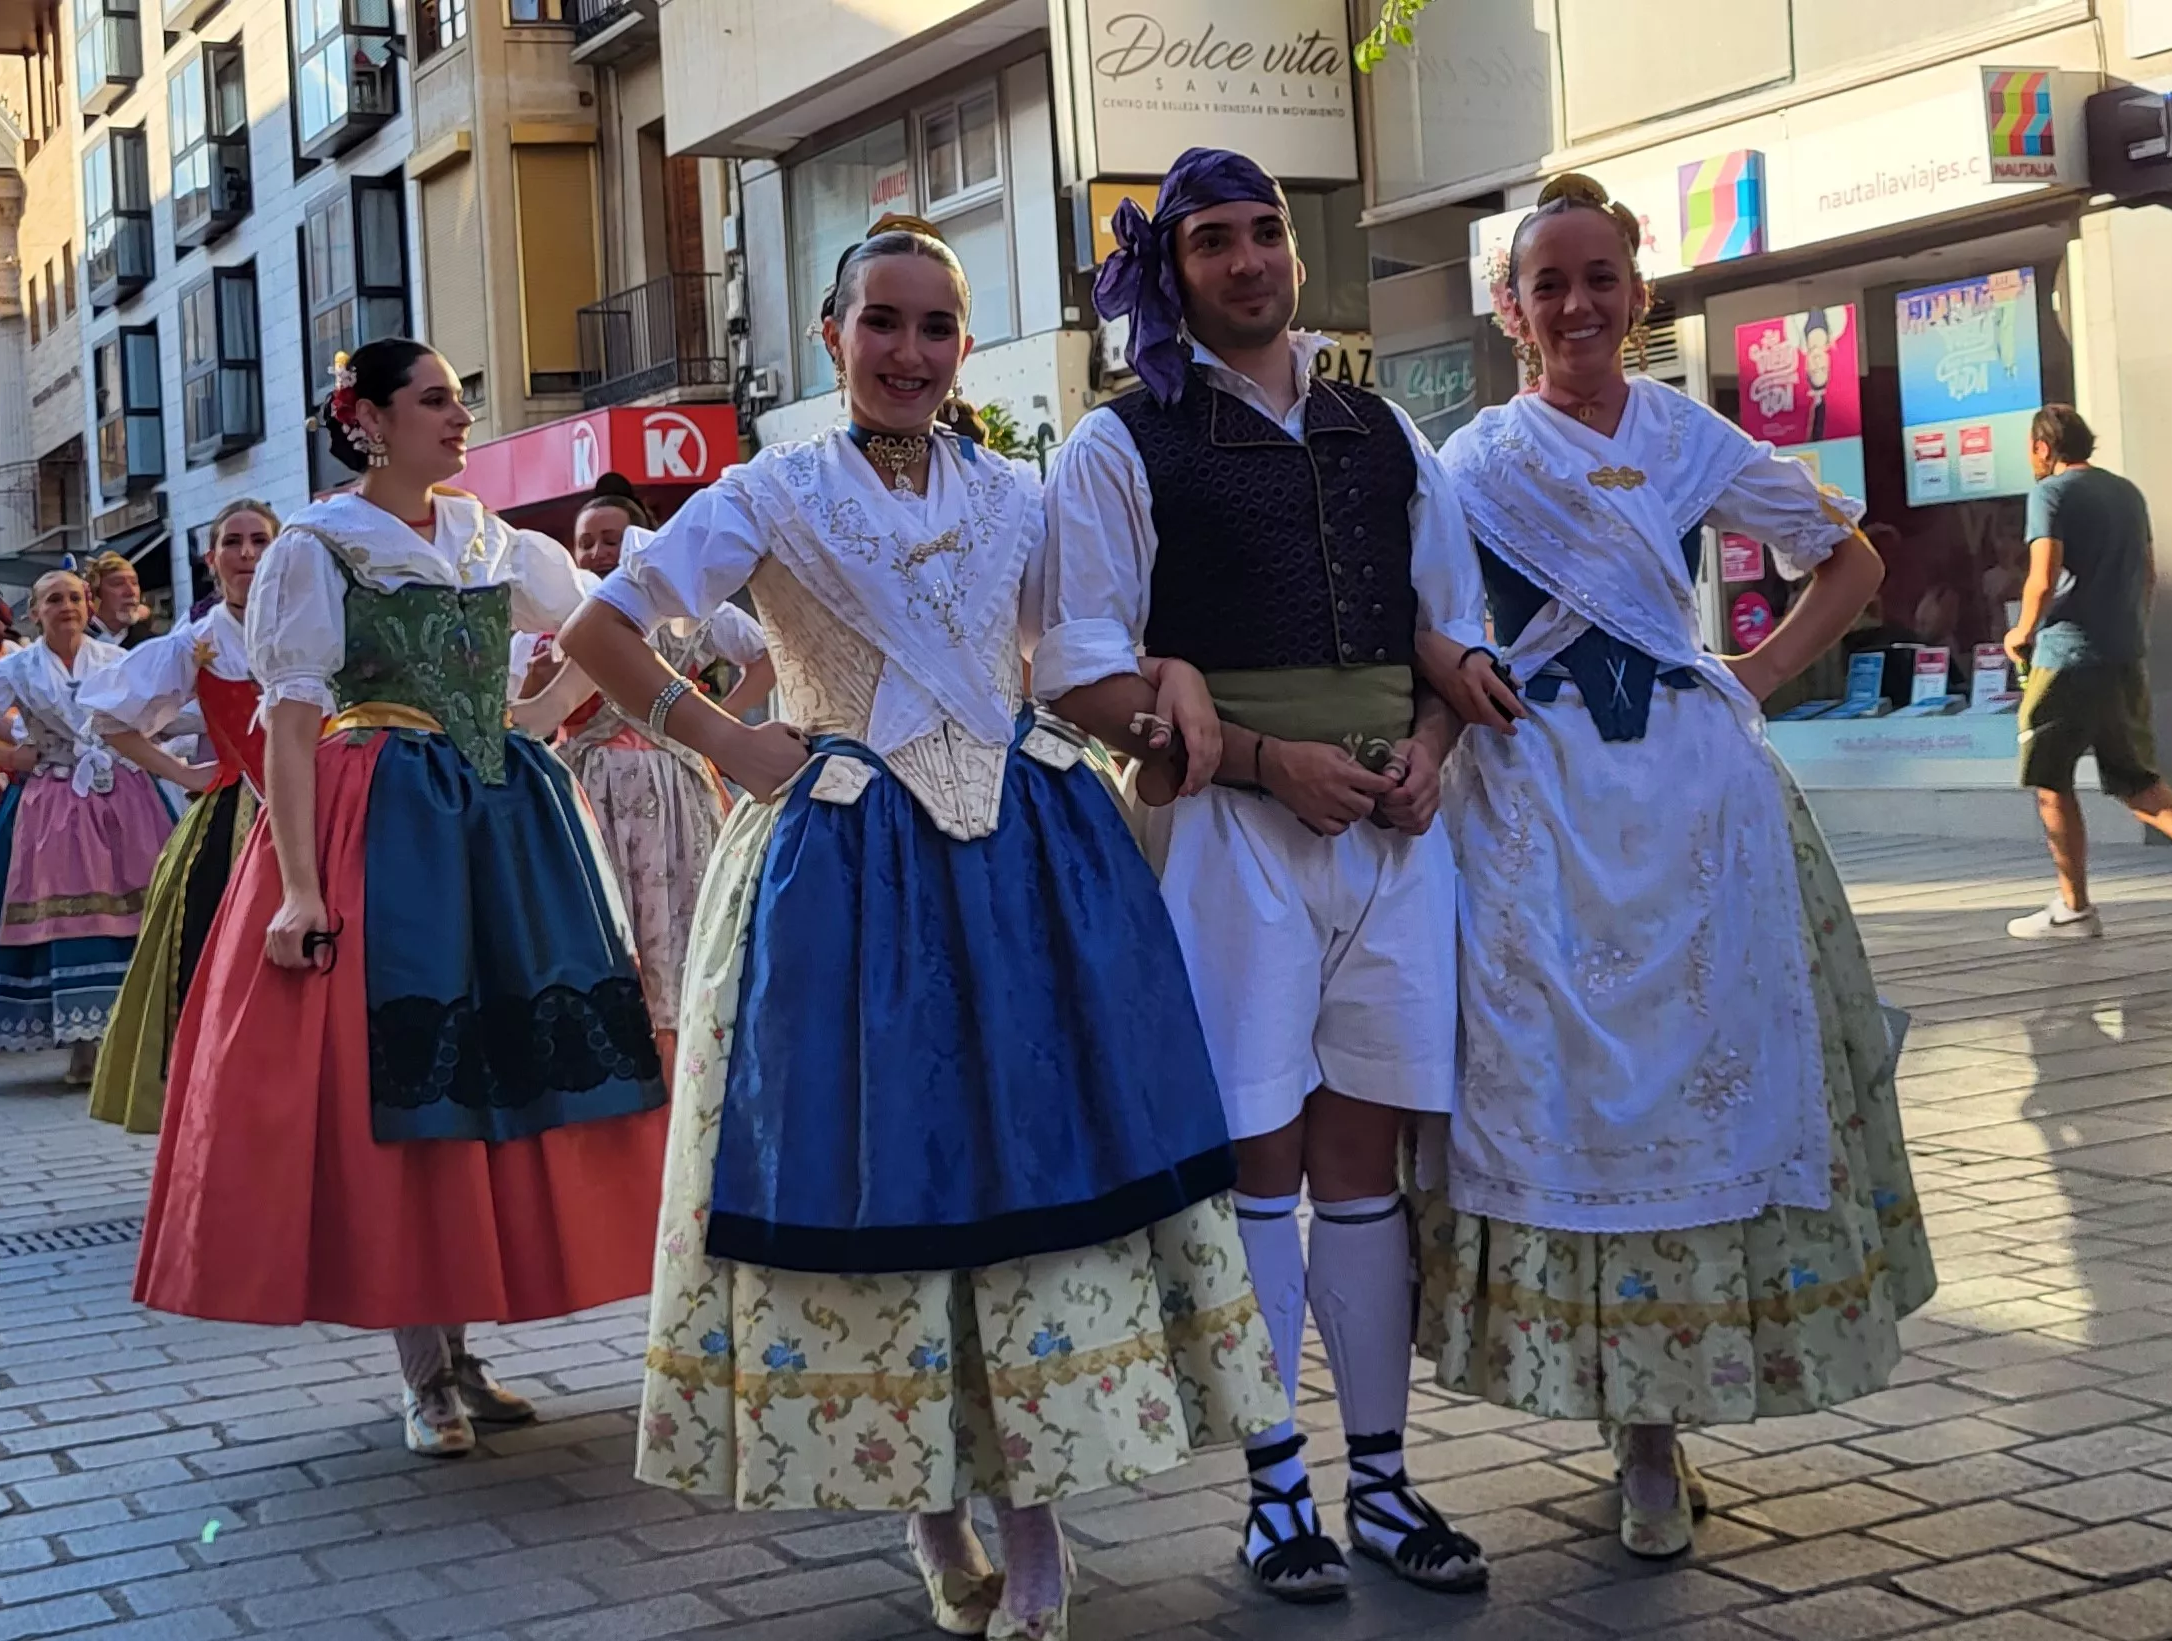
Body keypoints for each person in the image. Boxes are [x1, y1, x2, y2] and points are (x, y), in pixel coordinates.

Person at [560, 221, 1282, 1641]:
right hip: (846, 869)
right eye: (880, 322)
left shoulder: (1019, 492)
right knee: (882, 1175)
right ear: (829, 335)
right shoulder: (767, 491)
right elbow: (600, 630)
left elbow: (1079, 651)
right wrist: (728, 740)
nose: (907, 351)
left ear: (962, 344)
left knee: (1032, 1171)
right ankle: (927, 1502)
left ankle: (1034, 1526)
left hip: (1027, 862)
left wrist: (1177, 676)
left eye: (935, 326)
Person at [1415, 172, 1935, 1561]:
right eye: (1548, 284)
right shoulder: (1467, 464)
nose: (1576, 304)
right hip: (1538, 805)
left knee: (1714, 1086)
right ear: (1511, 309)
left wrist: (1749, 675)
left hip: (1700, 806)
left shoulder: (1689, 436)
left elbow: (1847, 560)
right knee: (1573, 1106)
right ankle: (1629, 1426)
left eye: (1600, 278)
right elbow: (1425, 623)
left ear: (1637, 295)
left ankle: (1660, 1431)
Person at [1037, 147, 1488, 1601]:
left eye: (1263, 233)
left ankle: (1383, 1484)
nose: (1245, 261)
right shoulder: (1122, 442)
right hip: (1226, 840)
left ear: (1294, 250)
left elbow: (1449, 630)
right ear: (1169, 273)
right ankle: (1273, 1490)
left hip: (1389, 837)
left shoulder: (1380, 428)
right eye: (1210, 241)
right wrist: (1253, 758)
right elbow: (1076, 672)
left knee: (1362, 1161)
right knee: (1261, 1158)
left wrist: (1428, 748)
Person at [132, 339, 669, 1463]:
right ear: (369, 419)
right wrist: (297, 887)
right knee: (409, 1074)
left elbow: (603, 624)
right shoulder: (318, 545)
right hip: (383, 818)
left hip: (502, 818)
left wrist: (541, 714)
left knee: (496, 1069)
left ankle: (457, 1354)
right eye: (434, 401)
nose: (459, 418)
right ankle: (424, 1371)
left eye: (459, 399)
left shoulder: (489, 535)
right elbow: (290, 722)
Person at [513, 479, 777, 1075]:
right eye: (586, 542)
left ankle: (682, 1060)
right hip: (589, 784)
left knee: (679, 914)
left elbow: (766, 656)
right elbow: (538, 712)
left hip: (675, 783)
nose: (598, 552)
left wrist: (721, 720)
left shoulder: (688, 610)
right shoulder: (559, 620)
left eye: (611, 539)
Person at [0, 572, 185, 1082]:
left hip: (124, 794)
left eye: (74, 597)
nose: (66, 606)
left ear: (88, 606)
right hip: (51, 801)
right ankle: (83, 1044)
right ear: (35, 612)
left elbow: (164, 714)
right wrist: (10, 757)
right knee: (69, 916)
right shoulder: (19, 667)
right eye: (53, 599)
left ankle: (141, 1038)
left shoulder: (117, 660)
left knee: (138, 911)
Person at [2003, 403, 2172, 936]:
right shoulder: (2127, 493)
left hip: (2066, 657)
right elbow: (2149, 575)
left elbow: (2042, 577)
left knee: (2049, 779)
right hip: (2123, 655)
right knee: (2134, 778)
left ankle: (2074, 908)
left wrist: (2022, 632)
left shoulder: (2050, 493)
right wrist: (2128, 630)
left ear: (2042, 447)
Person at [82, 499, 277, 1132]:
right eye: (233, 542)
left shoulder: (314, 620)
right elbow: (112, 719)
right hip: (239, 809)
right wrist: (185, 773)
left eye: (259, 541)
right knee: (222, 948)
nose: (247, 554)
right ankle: (227, 1092)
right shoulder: (196, 642)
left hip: (327, 802)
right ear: (211, 557)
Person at [85, 552, 152, 646]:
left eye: (134, 583)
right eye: (118, 583)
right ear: (95, 593)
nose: (131, 592)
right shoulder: (74, 641)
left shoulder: (150, 645)